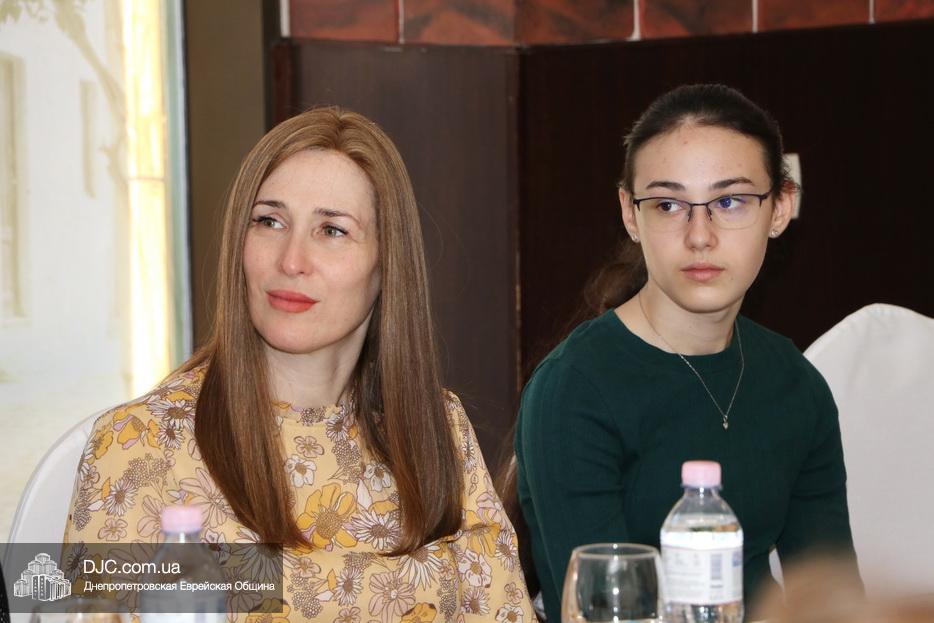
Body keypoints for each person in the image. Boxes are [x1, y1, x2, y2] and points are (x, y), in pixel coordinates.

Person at [64, 107, 534, 621]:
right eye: (269, 221)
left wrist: (241, 581)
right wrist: (440, 578)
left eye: (332, 230)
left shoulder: (437, 425)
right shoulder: (137, 445)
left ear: (387, 264)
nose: (291, 260)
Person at [513, 84, 859, 622]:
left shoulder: (796, 384)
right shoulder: (575, 389)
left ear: (780, 207)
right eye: (669, 205)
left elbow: (835, 602)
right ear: (630, 214)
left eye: (729, 201)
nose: (700, 236)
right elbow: (599, 613)